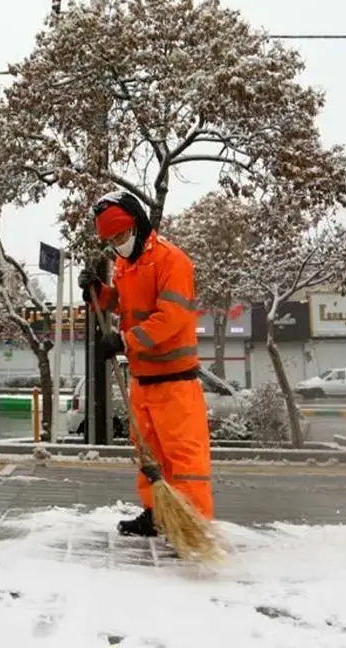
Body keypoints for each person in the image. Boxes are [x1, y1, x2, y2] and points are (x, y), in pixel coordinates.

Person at [78, 190, 214, 537]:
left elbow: (171, 317)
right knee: (149, 459)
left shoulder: (173, 261)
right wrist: (100, 292)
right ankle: (157, 513)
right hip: (143, 380)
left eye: (120, 235)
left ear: (137, 225)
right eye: (110, 240)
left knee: (184, 461)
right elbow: (125, 306)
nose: (117, 244)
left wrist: (125, 341)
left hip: (175, 382)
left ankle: (193, 526)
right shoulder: (126, 266)